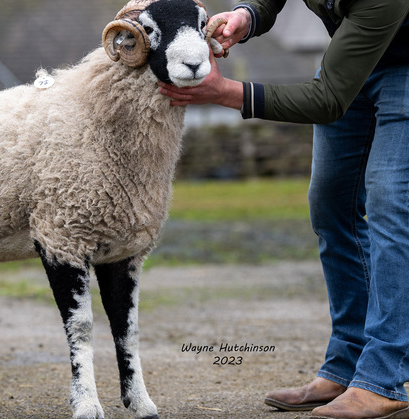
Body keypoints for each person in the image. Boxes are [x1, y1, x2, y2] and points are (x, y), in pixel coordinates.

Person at [158, 1, 409, 418]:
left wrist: (225, 93)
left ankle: (384, 378)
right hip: (351, 61)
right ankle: (348, 365)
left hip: (404, 67)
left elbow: (327, 100)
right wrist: (247, 16)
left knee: (389, 208)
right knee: (330, 206)